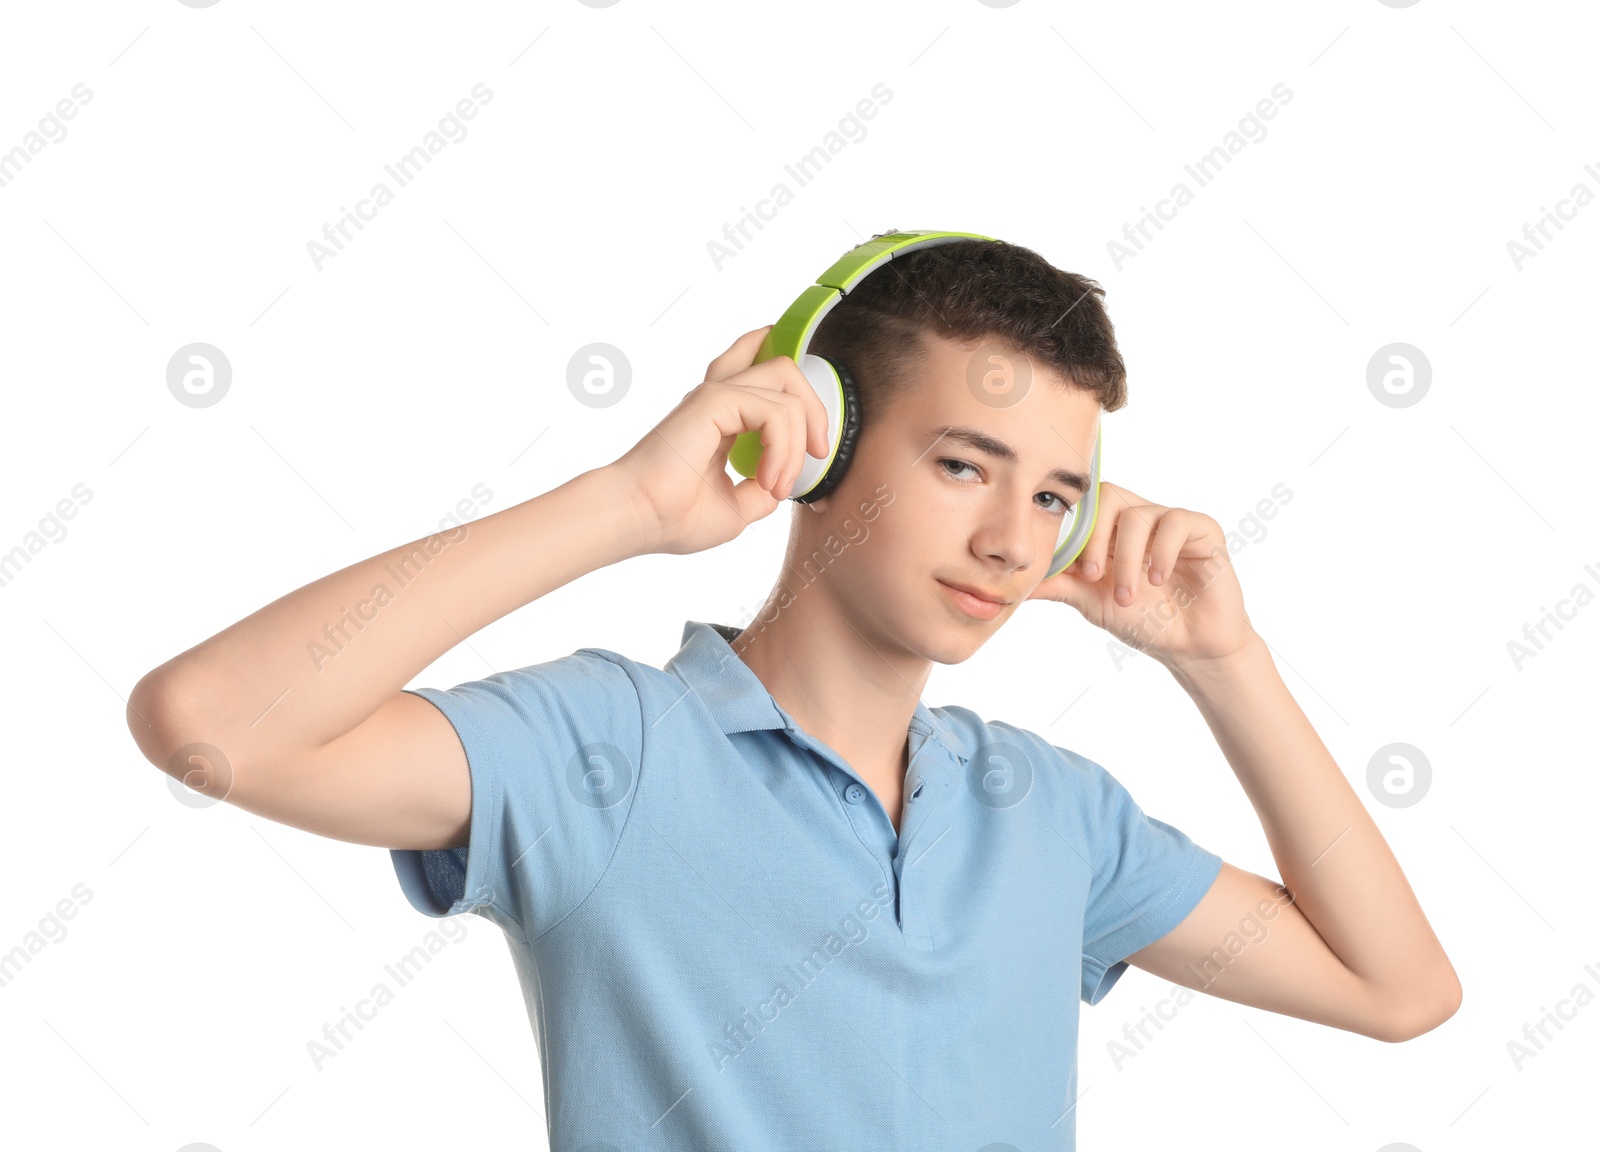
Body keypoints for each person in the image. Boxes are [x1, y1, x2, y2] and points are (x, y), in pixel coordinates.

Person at [126, 236, 1460, 1150]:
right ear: (816, 445)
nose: (1011, 536)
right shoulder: (609, 752)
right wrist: (632, 505)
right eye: (961, 465)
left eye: (1053, 494)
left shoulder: (1051, 812)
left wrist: (1221, 662)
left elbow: (1398, 989)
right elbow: (211, 726)